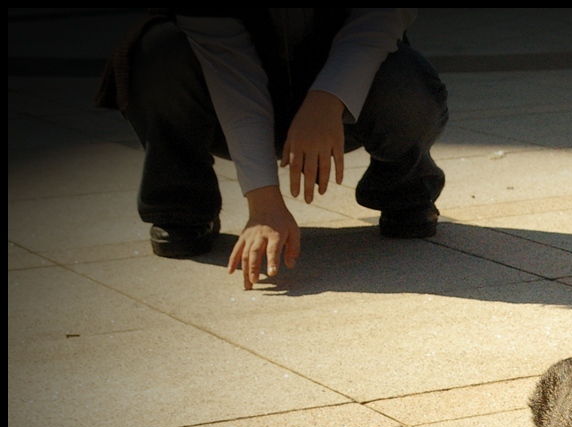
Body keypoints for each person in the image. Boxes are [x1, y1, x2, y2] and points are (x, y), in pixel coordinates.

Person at [97, 9, 448, 288]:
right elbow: (228, 63)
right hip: (222, 97)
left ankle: (405, 190)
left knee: (408, 81)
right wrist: (263, 203)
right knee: (158, 49)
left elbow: (378, 20)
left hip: (344, 91)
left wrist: (327, 101)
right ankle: (182, 206)